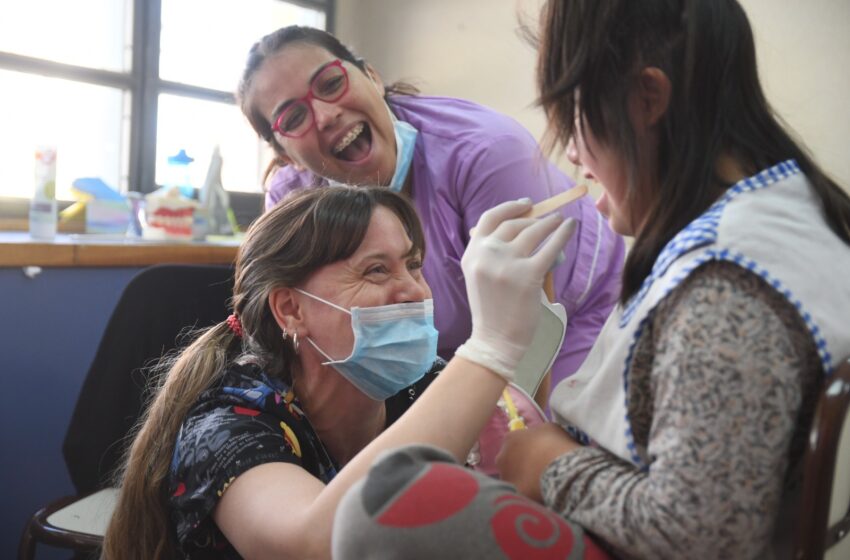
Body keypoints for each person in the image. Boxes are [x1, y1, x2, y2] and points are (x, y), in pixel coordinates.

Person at [331, 1, 850, 559]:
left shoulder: (726, 284)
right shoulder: (803, 210)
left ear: (647, 100)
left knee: (378, 504)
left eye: (570, 118)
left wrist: (548, 463)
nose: (572, 152)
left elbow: (700, 534)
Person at [102, 185, 580, 559]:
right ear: (291, 310)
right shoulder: (229, 428)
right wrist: (491, 346)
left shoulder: (422, 388)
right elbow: (313, 546)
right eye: (376, 271)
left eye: (414, 265)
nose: (413, 291)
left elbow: (531, 458)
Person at [237, 25, 625, 394]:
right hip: (441, 355)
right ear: (285, 152)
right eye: (294, 118)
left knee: (526, 449)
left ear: (371, 76)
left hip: (569, 315)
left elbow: (529, 332)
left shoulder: (486, 152)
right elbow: (307, 339)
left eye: (332, 83)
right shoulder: (295, 202)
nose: (324, 115)